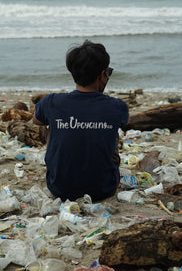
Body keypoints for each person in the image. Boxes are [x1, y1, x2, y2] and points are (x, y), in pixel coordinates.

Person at [33, 40, 129, 202]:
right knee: (112, 134)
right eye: (108, 72)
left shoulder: (51, 102)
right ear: (102, 75)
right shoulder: (117, 107)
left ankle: (66, 169)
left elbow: (36, 121)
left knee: (49, 125)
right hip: (103, 188)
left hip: (59, 188)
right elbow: (122, 123)